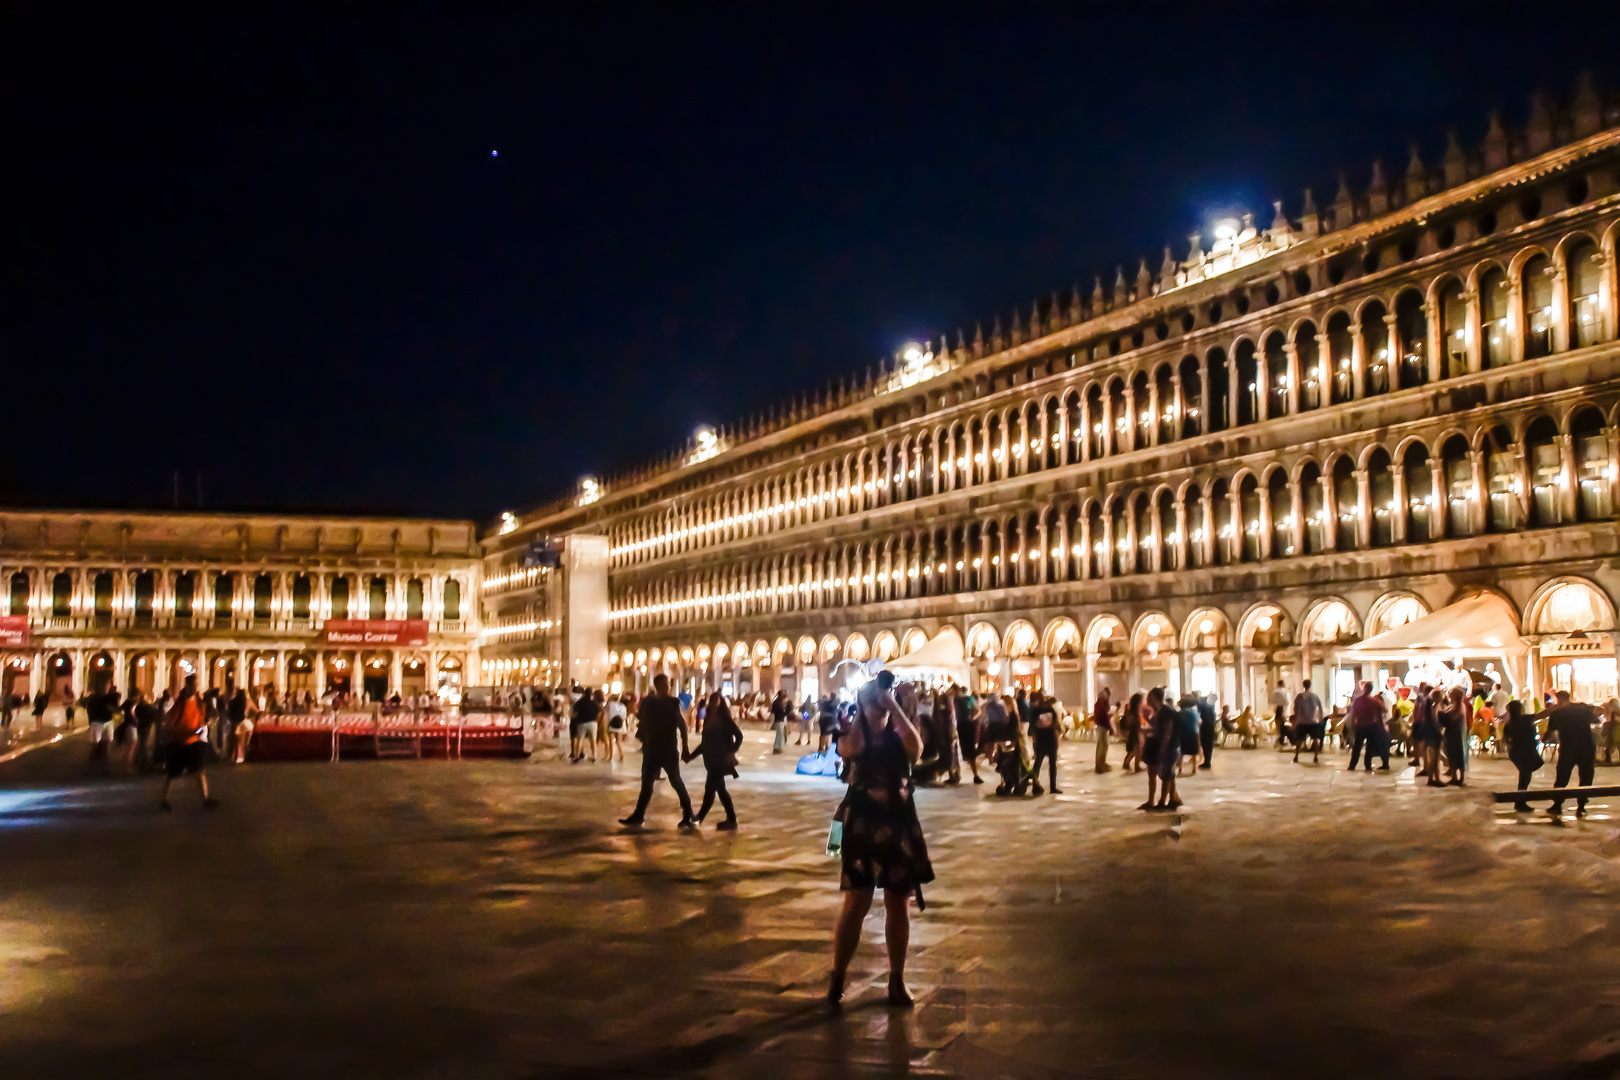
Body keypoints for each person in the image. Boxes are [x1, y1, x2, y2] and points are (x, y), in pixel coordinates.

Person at [827, 673, 932, 1010]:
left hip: (899, 821)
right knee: (856, 903)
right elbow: (851, 748)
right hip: (862, 823)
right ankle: (837, 977)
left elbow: (916, 750)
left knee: (898, 902)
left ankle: (896, 979)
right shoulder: (853, 729)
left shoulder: (899, 729)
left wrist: (894, 708)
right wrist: (862, 706)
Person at [619, 673, 696, 828]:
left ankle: (688, 812)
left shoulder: (672, 702)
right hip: (653, 749)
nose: (667, 686)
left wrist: (686, 747)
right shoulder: (651, 702)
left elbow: (681, 725)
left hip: (667, 749)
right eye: (665, 684)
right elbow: (643, 719)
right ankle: (639, 814)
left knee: (675, 781)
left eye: (668, 684)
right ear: (658, 685)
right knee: (647, 783)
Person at [159, 675, 218, 812]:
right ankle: (163, 799)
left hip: (193, 741)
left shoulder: (197, 701)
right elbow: (173, 719)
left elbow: (203, 718)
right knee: (172, 774)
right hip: (178, 741)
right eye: (193, 685)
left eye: (196, 684)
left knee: (199, 771)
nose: (195, 687)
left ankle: (205, 799)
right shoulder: (182, 700)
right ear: (187, 685)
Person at [686, 691, 744, 830]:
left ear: (720, 703)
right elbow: (704, 744)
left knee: (712, 789)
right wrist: (691, 756)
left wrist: (731, 752)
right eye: (711, 701)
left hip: (720, 760)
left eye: (716, 701)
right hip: (711, 760)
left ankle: (700, 818)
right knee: (719, 790)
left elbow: (739, 736)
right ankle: (730, 820)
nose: (713, 704)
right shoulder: (707, 720)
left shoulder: (725, 720)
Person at [1545, 690, 1598, 819]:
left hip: (1568, 747)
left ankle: (1557, 805)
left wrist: (1543, 739)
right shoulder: (1583, 710)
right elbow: (1595, 720)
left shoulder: (1557, 713)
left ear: (1559, 699)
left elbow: (1550, 730)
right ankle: (1581, 807)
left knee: (1562, 776)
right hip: (1586, 746)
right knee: (1586, 776)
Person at [1142, 687, 1181, 810]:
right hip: (1157, 746)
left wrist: (1163, 749)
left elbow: (1167, 732)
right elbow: (1158, 727)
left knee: (1166, 775)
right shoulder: (1158, 711)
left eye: (1150, 698)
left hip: (1165, 748)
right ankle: (1168, 800)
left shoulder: (1165, 712)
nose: (1148, 700)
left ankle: (1163, 801)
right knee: (1162, 774)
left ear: (1155, 698)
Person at [1502, 699, 1542, 812]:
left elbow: (1506, 739)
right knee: (1525, 776)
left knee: (1524, 775)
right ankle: (1520, 801)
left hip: (1516, 751)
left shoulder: (1509, 723)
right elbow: (1541, 715)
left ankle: (1520, 800)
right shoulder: (1525, 719)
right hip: (1526, 750)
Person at [1348, 682, 1390, 772]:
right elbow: (1385, 710)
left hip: (1360, 725)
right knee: (1369, 747)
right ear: (1371, 690)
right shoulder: (1374, 701)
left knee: (1357, 747)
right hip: (1371, 726)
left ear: (1364, 688)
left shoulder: (1358, 700)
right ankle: (1367, 765)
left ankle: (1352, 765)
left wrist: (1352, 725)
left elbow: (1353, 714)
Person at [1029, 690, 1061, 794]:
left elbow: (1032, 728)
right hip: (1050, 738)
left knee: (1038, 763)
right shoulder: (1049, 708)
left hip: (1041, 739)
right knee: (1051, 764)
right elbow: (1056, 722)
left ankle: (1035, 785)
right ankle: (1052, 787)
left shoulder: (1035, 711)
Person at [1438, 686, 1469, 785]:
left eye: (1451, 692)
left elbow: (1451, 717)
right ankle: (1454, 775)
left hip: (1455, 734)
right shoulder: (1454, 704)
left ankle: (1459, 777)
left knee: (1456, 754)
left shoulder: (1458, 706)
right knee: (1452, 754)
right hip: (1452, 733)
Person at [85, 687, 119, 774]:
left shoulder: (106, 697)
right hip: (99, 722)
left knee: (104, 745)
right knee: (98, 745)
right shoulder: (96, 698)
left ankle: (99, 768)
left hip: (105, 722)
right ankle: (94, 768)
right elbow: (113, 709)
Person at [954, 684, 983, 784]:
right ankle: (975, 773)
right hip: (962, 726)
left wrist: (972, 718)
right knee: (967, 752)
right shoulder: (956, 700)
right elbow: (978, 710)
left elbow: (978, 710)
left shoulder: (966, 699)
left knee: (969, 751)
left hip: (967, 726)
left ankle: (975, 773)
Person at [1291, 680, 1324, 764]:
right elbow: (1320, 709)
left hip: (1302, 722)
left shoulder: (1299, 696)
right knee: (1315, 739)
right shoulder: (1314, 696)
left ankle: (1296, 756)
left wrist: (1297, 718)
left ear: (1303, 686)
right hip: (1313, 722)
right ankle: (1316, 757)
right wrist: (1320, 719)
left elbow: (1295, 708)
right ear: (1310, 685)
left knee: (1299, 740)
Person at [571, 690, 599, 763]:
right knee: (593, 740)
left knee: (580, 740)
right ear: (591, 694)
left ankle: (577, 756)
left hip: (582, 723)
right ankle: (594, 756)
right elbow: (598, 712)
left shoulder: (579, 703)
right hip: (593, 723)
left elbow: (575, 712)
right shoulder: (594, 703)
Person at [1120, 691, 1145, 773]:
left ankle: (1130, 764)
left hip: (1135, 731)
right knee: (1136, 750)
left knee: (1136, 750)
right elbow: (1131, 721)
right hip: (1134, 731)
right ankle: (1134, 766)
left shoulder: (1134, 710)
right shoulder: (1134, 711)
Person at [1092, 687, 1114, 773]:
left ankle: (1100, 764)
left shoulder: (1097, 704)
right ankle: (1100, 765)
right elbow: (1104, 715)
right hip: (1103, 726)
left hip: (1101, 725)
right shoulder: (1102, 704)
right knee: (1103, 745)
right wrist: (1109, 726)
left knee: (1102, 745)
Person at [1196, 693, 1217, 769]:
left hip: (1205, 727)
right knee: (1209, 745)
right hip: (1210, 727)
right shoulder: (1211, 708)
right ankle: (1208, 761)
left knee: (1205, 744)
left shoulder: (1202, 707)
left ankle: (1207, 762)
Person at [605, 693, 628, 762]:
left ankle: (611, 757)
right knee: (618, 741)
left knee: (611, 741)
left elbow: (605, 711)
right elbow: (624, 717)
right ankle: (621, 755)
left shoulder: (610, 704)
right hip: (618, 725)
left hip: (611, 724)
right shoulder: (623, 706)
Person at [769, 689, 789, 754]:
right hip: (779, 719)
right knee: (779, 734)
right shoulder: (778, 702)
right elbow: (778, 711)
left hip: (779, 719)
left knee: (780, 734)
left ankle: (778, 747)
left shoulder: (778, 702)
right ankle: (777, 748)